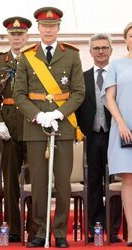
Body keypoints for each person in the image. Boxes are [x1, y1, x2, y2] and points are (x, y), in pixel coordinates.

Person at [13, 7, 85, 248]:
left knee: (63, 184)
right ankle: (40, 232)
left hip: (63, 127)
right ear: (38, 28)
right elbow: (19, 94)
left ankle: (61, 233)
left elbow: (78, 92)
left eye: (52, 26)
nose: (48, 30)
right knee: (40, 183)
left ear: (59, 28)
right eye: (44, 26)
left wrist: (58, 113)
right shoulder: (27, 56)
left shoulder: (72, 55)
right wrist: (38, 116)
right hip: (36, 129)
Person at [76, 33, 122, 242]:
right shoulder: (82, 77)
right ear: (90, 52)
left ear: (111, 50)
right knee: (93, 182)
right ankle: (96, 226)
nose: (101, 51)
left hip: (115, 136)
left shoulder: (120, 75)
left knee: (114, 182)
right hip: (90, 136)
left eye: (104, 47)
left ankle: (113, 229)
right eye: (97, 48)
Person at [0, 16, 32, 243]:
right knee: (11, 182)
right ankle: (14, 228)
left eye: (20, 35)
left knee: (35, 179)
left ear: (27, 37)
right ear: (8, 37)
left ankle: (35, 227)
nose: (17, 38)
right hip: (9, 127)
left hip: (33, 126)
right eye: (13, 35)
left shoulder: (35, 59)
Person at [102, 22, 132, 247]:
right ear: (125, 39)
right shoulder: (117, 65)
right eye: (131, 35)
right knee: (129, 180)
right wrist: (121, 123)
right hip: (124, 128)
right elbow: (109, 97)